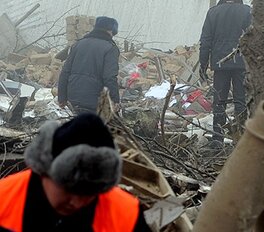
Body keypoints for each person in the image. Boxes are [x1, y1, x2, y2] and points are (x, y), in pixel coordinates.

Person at [0, 112, 152, 230]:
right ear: (44, 170)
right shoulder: (4, 199)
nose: (76, 202)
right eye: (69, 189)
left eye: (88, 194)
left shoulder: (127, 215)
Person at [198, 0, 252, 145]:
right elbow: (253, 38)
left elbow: (205, 41)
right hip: (240, 63)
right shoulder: (246, 11)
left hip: (219, 63)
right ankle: (241, 139)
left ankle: (217, 138)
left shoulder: (213, 12)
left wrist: (203, 64)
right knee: (240, 101)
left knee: (219, 101)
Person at [58, 17, 120, 113]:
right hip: (94, 99)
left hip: (73, 97)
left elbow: (65, 72)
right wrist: (115, 100)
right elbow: (109, 78)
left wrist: (62, 97)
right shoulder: (110, 48)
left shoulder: (78, 44)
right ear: (111, 31)